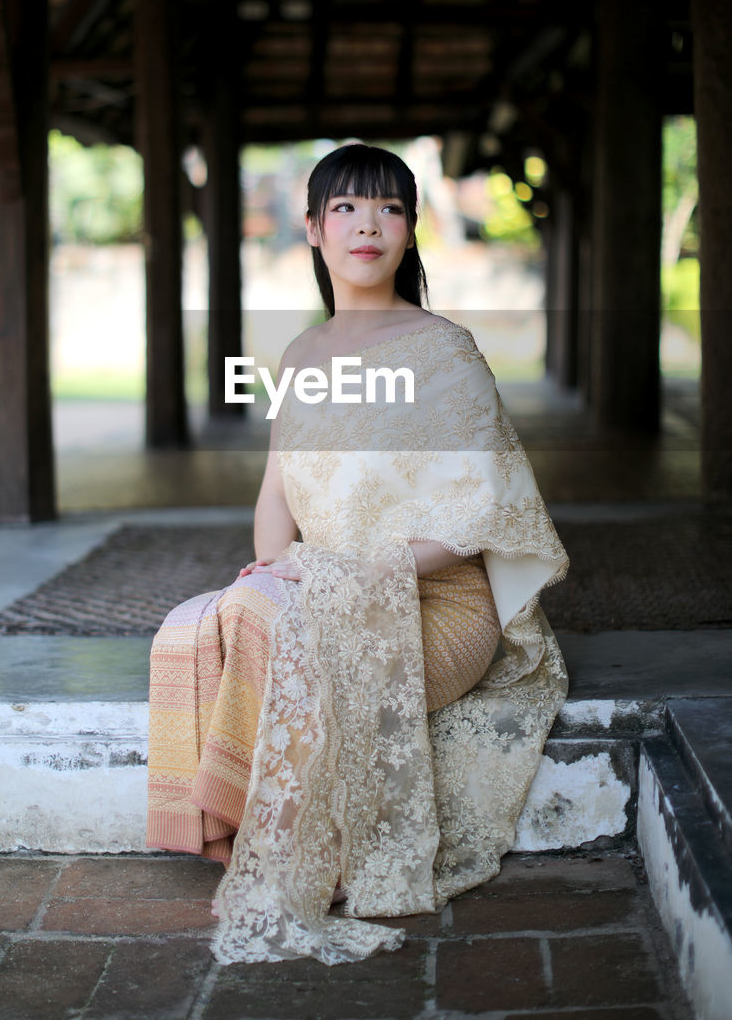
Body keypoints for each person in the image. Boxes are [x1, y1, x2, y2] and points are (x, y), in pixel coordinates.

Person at [147, 143, 569, 965]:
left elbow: (482, 514)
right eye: (344, 207)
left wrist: (358, 575)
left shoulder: (442, 351)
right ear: (310, 229)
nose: (367, 224)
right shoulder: (302, 357)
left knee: (268, 620)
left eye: (390, 208)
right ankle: (223, 824)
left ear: (411, 232)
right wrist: (277, 570)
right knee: (204, 619)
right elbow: (278, 491)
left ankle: (272, 838)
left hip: (435, 605)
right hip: (330, 586)